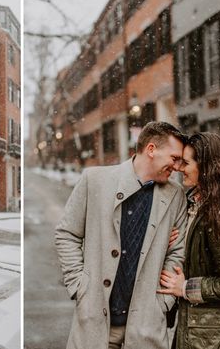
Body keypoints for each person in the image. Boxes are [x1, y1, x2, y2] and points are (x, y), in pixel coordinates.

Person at [55, 121, 188, 349]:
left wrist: (162, 302)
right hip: (95, 323)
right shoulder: (94, 180)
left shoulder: (176, 195)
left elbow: (177, 251)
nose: (177, 167)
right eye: (174, 158)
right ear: (151, 149)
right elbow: (67, 234)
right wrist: (79, 286)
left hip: (146, 325)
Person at [158, 132, 220, 349]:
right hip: (203, 330)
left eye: (186, 162)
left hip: (214, 336)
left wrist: (186, 288)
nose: (180, 168)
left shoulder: (217, 214)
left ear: (207, 168)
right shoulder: (196, 202)